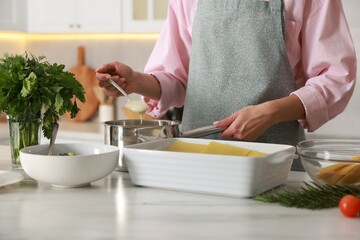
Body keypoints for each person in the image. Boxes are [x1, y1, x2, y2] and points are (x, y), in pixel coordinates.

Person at [96, 0, 357, 171]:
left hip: (275, 165)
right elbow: (177, 77)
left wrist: (270, 113)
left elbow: (336, 76)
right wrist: (136, 82)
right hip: (196, 163)